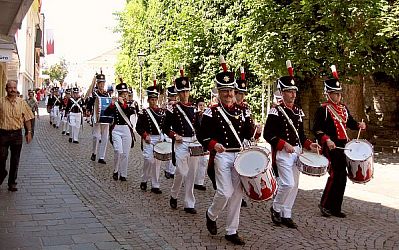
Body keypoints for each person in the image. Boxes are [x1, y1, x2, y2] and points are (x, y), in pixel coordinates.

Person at [200, 57, 261, 245]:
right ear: (219, 92)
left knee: (237, 194)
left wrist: (256, 130)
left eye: (231, 90)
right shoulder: (212, 112)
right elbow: (203, 135)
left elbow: (248, 134)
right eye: (224, 91)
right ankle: (211, 214)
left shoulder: (242, 111)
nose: (228, 94)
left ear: (235, 91)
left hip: (239, 156)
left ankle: (231, 230)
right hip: (222, 155)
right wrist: (213, 145)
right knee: (225, 191)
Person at [263, 60, 319, 229]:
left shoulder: (298, 112)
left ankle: (287, 213)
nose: (293, 94)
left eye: (294, 91)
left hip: (297, 151)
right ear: (282, 92)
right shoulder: (275, 111)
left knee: (295, 185)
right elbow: (267, 134)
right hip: (282, 153)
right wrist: (282, 144)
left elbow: (301, 135)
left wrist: (310, 145)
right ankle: (276, 207)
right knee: (287, 183)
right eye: (289, 91)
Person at [313, 65, 366, 218]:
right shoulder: (323, 109)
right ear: (328, 94)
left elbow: (349, 122)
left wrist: (358, 125)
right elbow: (316, 129)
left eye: (339, 94)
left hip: (344, 145)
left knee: (343, 176)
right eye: (334, 94)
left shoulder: (343, 108)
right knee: (335, 174)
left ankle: (336, 207)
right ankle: (325, 205)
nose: (337, 97)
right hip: (331, 145)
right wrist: (326, 140)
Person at [162, 66, 200, 214]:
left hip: (193, 142)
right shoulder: (173, 108)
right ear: (178, 93)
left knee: (192, 173)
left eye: (186, 91)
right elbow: (165, 127)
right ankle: (174, 193)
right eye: (182, 91)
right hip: (180, 142)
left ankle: (189, 203)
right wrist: (173, 135)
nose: (185, 94)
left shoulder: (195, 108)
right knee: (182, 171)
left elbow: (198, 126)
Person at [0, 80, 34, 191]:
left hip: (17, 134)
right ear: (6, 89)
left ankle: (12, 183)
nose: (12, 90)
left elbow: (27, 118)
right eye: (10, 88)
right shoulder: (1, 102)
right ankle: (2, 173)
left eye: (14, 87)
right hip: (3, 134)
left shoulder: (22, 102)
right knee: (1, 158)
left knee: (15, 159)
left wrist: (29, 132)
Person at [136, 79, 166, 194]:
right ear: (148, 100)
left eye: (155, 99)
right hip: (148, 138)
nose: (153, 102)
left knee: (157, 162)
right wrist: (145, 135)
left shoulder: (162, 112)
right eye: (151, 100)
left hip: (158, 138)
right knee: (149, 159)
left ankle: (155, 185)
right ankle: (144, 179)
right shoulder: (144, 112)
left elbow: (163, 126)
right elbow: (138, 127)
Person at [104, 80, 136, 181]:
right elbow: (106, 113)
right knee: (118, 150)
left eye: (126, 94)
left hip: (126, 129)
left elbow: (131, 112)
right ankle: (115, 170)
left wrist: (124, 104)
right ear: (119, 94)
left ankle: (123, 174)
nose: (125, 96)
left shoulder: (130, 104)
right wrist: (112, 104)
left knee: (125, 154)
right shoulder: (115, 104)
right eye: (122, 94)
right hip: (116, 129)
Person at [86, 72, 110, 164]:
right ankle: (94, 152)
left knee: (105, 137)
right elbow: (90, 103)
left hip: (106, 118)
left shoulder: (107, 94)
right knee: (96, 136)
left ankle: (101, 157)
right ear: (97, 84)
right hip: (97, 117)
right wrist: (88, 109)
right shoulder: (94, 94)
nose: (102, 85)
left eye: (103, 83)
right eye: (100, 83)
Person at [162, 85, 177, 179]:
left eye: (175, 96)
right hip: (168, 131)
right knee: (169, 152)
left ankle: (172, 171)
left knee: (174, 152)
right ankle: (168, 170)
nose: (174, 98)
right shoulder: (165, 106)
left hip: (175, 131)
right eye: (172, 96)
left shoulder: (178, 105)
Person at [193, 97, 208, 191]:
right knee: (195, 162)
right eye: (200, 105)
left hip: (205, 140)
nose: (202, 107)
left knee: (203, 162)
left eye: (203, 105)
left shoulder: (208, 115)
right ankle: (192, 180)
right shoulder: (194, 116)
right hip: (195, 139)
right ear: (197, 106)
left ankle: (199, 182)